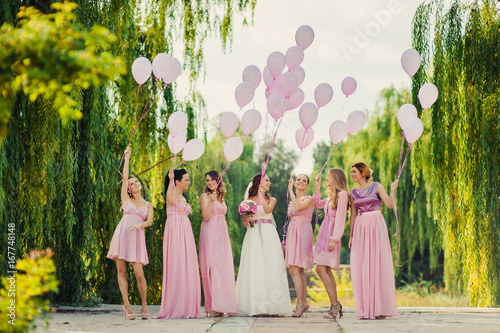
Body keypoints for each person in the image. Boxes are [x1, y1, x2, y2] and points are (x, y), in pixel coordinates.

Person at [235, 174, 292, 316]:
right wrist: (248, 219)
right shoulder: (247, 201)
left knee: (270, 266)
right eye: (267, 180)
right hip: (253, 234)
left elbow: (267, 210)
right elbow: (243, 223)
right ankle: (255, 306)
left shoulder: (272, 199)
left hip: (268, 233)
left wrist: (261, 195)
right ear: (259, 182)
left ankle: (273, 307)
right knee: (255, 266)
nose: (270, 183)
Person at [107, 146, 153, 320]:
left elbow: (149, 221)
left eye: (136, 182)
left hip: (136, 238)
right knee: (121, 271)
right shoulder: (126, 199)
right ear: (128, 189)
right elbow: (124, 176)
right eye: (132, 184)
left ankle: (144, 305)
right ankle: (126, 306)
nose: (135, 184)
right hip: (122, 236)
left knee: (139, 273)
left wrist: (139, 225)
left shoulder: (148, 204)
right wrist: (126, 158)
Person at [349, 162, 398, 320]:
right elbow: (353, 215)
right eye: (351, 172)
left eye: (354, 171)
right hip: (361, 227)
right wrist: (350, 236)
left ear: (363, 172)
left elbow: (389, 205)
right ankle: (365, 308)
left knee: (377, 263)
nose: (352, 174)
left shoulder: (377, 186)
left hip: (376, 224)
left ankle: (379, 307)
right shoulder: (353, 193)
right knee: (362, 265)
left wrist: (392, 190)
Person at [155, 168, 201, 319]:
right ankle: (176, 305)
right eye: (186, 179)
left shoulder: (182, 196)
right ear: (178, 181)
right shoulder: (172, 194)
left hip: (185, 231)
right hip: (175, 230)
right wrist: (170, 181)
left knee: (187, 264)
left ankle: (186, 303)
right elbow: (169, 199)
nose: (189, 182)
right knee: (177, 262)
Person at [313, 168, 350, 319]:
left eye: (328, 176)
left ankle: (334, 305)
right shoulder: (331, 197)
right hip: (324, 234)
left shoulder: (342, 195)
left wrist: (334, 239)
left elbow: (341, 218)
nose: (327, 178)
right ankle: (335, 305)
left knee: (321, 269)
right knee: (325, 270)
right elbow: (316, 204)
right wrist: (317, 186)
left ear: (335, 177)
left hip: (331, 235)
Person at [199, 170, 237, 317]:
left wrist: (217, 200)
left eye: (212, 180)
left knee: (222, 266)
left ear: (218, 181)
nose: (209, 183)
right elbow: (206, 216)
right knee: (211, 266)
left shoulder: (222, 197)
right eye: (207, 180)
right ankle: (213, 306)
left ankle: (224, 303)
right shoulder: (205, 196)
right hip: (210, 231)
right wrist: (211, 201)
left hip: (222, 231)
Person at [285, 174, 314, 317]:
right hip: (293, 232)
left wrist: (290, 190)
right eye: (298, 180)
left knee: (295, 269)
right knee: (297, 269)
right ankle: (303, 302)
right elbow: (291, 218)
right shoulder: (292, 202)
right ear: (295, 182)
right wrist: (286, 241)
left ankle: (300, 304)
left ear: (307, 185)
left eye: (304, 180)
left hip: (303, 232)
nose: (301, 182)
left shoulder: (309, 199)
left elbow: (298, 206)